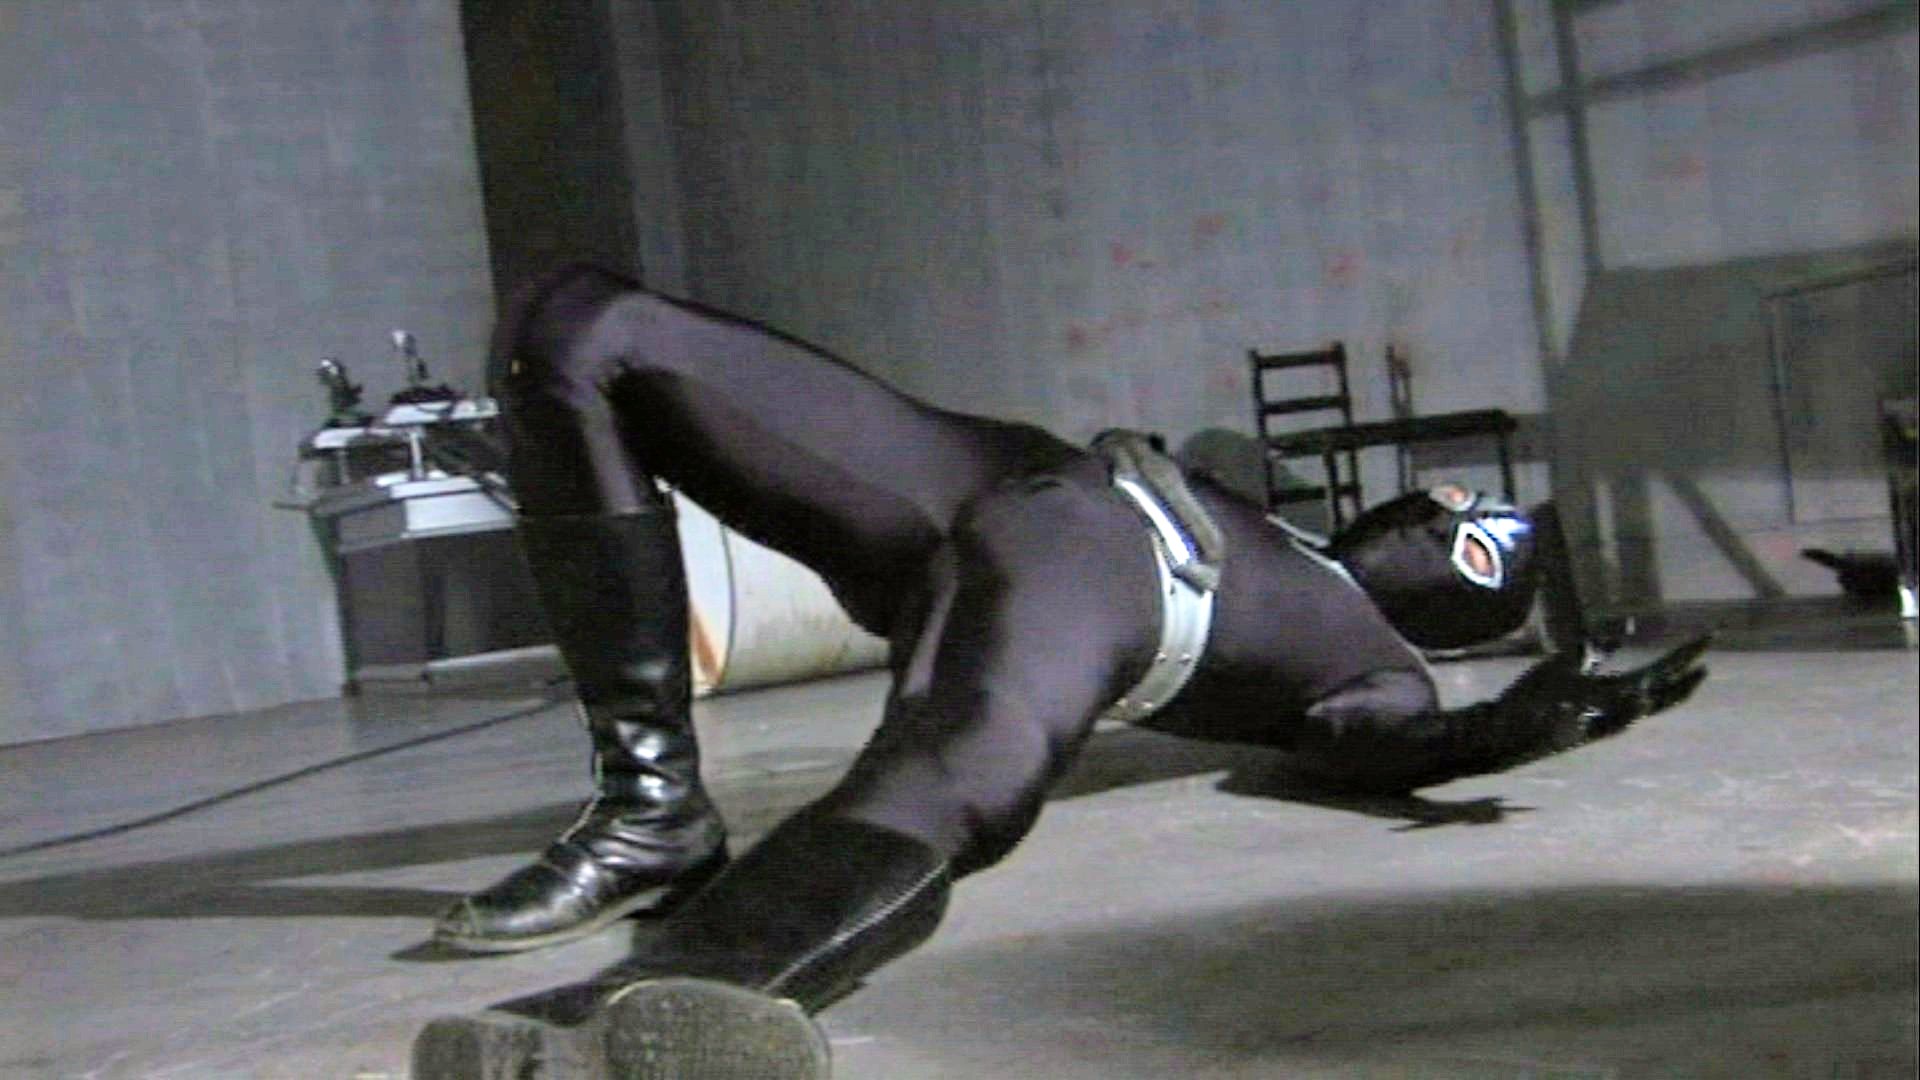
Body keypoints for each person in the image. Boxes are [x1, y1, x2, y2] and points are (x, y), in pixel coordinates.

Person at [412, 264, 1708, 1079]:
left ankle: (624, 1017)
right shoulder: (1291, 518)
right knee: (585, 327)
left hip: (1110, 583)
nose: (1446, 515)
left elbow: (1371, 749)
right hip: (991, 471)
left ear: (1464, 623)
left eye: (1477, 545)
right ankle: (651, 811)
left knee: (946, 778)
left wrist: (1489, 736)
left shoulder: (1382, 665)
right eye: (1457, 500)